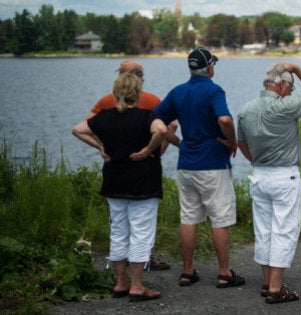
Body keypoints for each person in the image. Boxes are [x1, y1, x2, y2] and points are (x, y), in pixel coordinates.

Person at [153, 47, 245, 288]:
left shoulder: (178, 92)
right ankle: (224, 273)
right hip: (213, 164)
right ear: (209, 68)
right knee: (220, 218)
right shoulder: (214, 91)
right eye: (213, 63)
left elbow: (155, 119)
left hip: (186, 164)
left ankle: (187, 271)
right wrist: (232, 141)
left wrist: (176, 142)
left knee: (189, 217)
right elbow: (224, 119)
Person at [71, 72, 167, 302]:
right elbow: (162, 131)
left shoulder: (104, 117)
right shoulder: (146, 116)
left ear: (116, 93)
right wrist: (147, 151)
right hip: (143, 183)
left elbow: (78, 129)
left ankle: (120, 282)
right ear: (138, 93)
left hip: (114, 181)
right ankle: (136, 286)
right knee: (141, 233)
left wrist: (100, 146)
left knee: (119, 232)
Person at [237, 62, 301, 304]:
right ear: (283, 84)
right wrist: (295, 67)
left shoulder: (246, 110)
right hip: (285, 176)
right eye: (291, 87)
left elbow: (241, 143)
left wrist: (256, 159)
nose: (292, 91)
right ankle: (276, 289)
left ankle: (267, 283)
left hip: (260, 175)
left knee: (263, 231)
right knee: (284, 230)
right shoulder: (285, 106)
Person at [86, 59, 175, 271]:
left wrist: (101, 147)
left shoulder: (107, 101)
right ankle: (141, 268)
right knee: (142, 226)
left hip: (115, 170)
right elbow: (170, 126)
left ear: (120, 78)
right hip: (144, 171)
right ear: (140, 79)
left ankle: (120, 277)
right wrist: (154, 150)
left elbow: (86, 125)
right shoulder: (152, 101)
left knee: (118, 226)